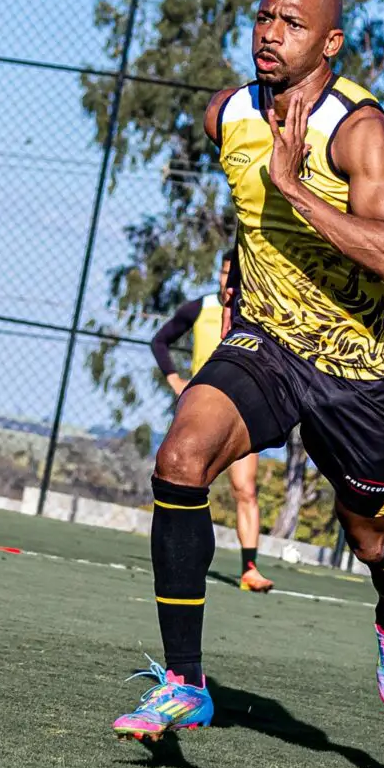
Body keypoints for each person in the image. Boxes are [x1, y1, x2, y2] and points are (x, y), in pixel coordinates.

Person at [112, 0, 384, 740]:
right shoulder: (227, 115)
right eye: (262, 17)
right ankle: (184, 682)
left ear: (330, 43)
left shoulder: (358, 130)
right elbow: (255, 224)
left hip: (360, 374)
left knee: (366, 533)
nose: (269, 33)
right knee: (181, 457)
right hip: (270, 346)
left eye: (291, 22)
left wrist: (295, 188)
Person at [149, 254, 275, 593]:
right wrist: (175, 380)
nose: (227, 280)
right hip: (201, 412)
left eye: (235, 274)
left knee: (245, 488)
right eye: (224, 273)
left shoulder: (256, 314)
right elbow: (160, 341)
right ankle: (176, 554)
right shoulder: (199, 308)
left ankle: (250, 568)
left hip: (242, 411)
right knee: (186, 481)